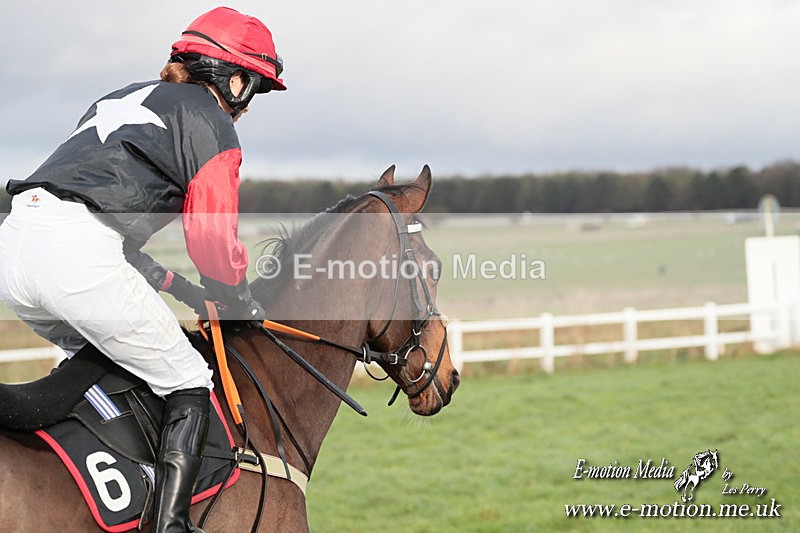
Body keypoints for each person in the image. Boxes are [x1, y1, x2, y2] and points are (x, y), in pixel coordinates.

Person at [0, 6, 284, 532]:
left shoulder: (119, 98)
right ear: (234, 78)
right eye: (254, 89)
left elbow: (118, 242)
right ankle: (169, 524)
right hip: (78, 258)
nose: (248, 105)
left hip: (16, 246)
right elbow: (212, 240)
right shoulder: (211, 121)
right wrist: (234, 296)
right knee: (188, 380)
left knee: (107, 361)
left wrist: (187, 292)